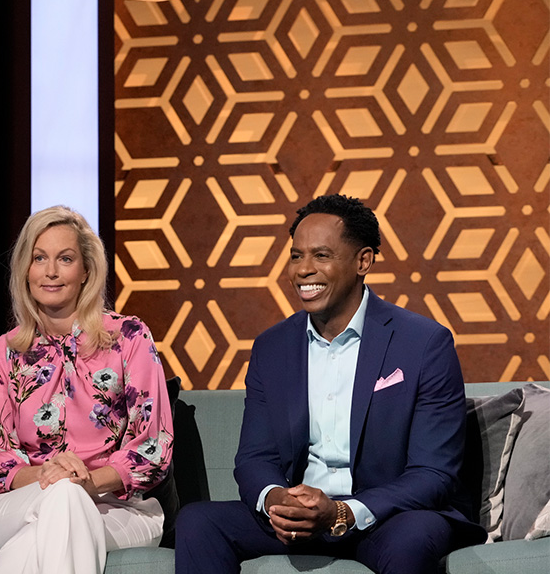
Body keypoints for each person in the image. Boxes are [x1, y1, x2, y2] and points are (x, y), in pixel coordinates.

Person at [175, 194, 484, 574]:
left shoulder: (423, 343)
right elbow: (255, 457)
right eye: (296, 255)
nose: (303, 270)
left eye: (321, 256)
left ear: (363, 261)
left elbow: (434, 473)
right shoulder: (272, 347)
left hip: (387, 516)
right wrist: (277, 500)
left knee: (413, 539)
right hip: (303, 517)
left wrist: (342, 511)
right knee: (198, 522)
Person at [0, 205, 174, 574]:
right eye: (39, 258)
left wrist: (86, 482)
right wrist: (53, 476)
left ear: (86, 271)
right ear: (25, 271)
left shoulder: (128, 338)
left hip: (120, 509)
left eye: (65, 259)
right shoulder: (3, 353)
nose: (50, 271)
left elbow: (152, 448)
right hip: (20, 504)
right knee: (63, 495)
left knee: (59, 511)